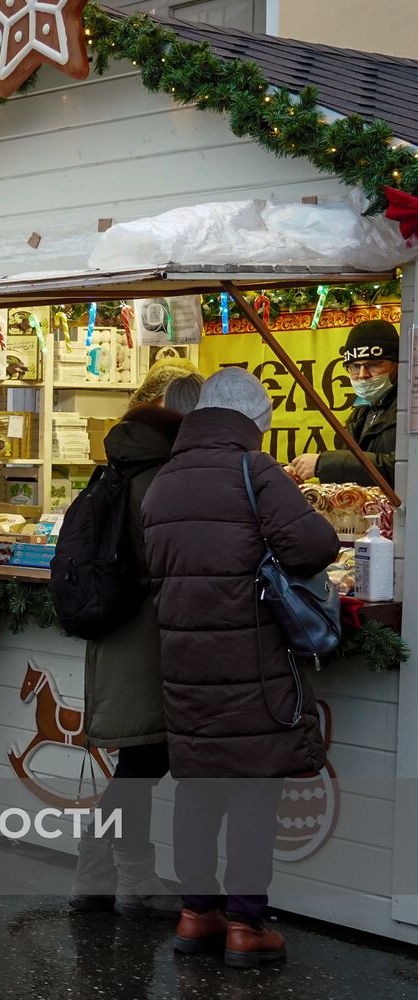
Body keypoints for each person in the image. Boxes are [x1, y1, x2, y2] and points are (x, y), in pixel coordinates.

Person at [142, 367, 337, 968]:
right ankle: (246, 926)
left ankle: (196, 914)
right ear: (254, 422)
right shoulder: (255, 470)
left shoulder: (164, 480)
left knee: (197, 789)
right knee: (253, 792)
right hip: (251, 664)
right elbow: (316, 547)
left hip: (182, 663)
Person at [69, 367, 199, 920]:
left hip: (118, 642)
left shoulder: (113, 473)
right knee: (145, 763)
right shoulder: (163, 481)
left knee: (140, 763)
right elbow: (175, 563)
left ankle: (97, 877)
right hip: (149, 642)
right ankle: (130, 879)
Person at [288, 319, 397, 486]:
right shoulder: (361, 414)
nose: (362, 374)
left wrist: (323, 463)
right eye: (354, 366)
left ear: (398, 363)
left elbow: (404, 468)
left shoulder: (411, 407)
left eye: (373, 365)